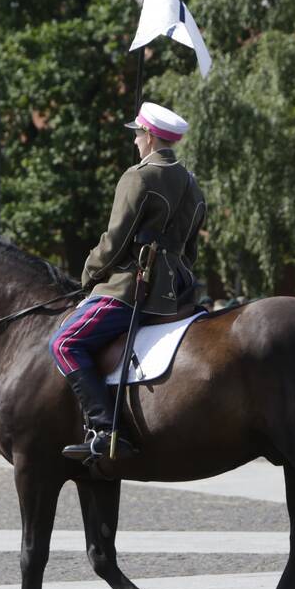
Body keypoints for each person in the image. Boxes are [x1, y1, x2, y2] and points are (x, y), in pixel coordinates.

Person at [49, 101, 205, 465]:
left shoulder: (139, 176)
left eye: (137, 134)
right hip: (178, 292)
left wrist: (90, 274)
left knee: (65, 343)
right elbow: (191, 251)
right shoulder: (194, 185)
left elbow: (115, 239)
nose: (135, 141)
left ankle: (105, 430)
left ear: (149, 137)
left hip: (134, 290)